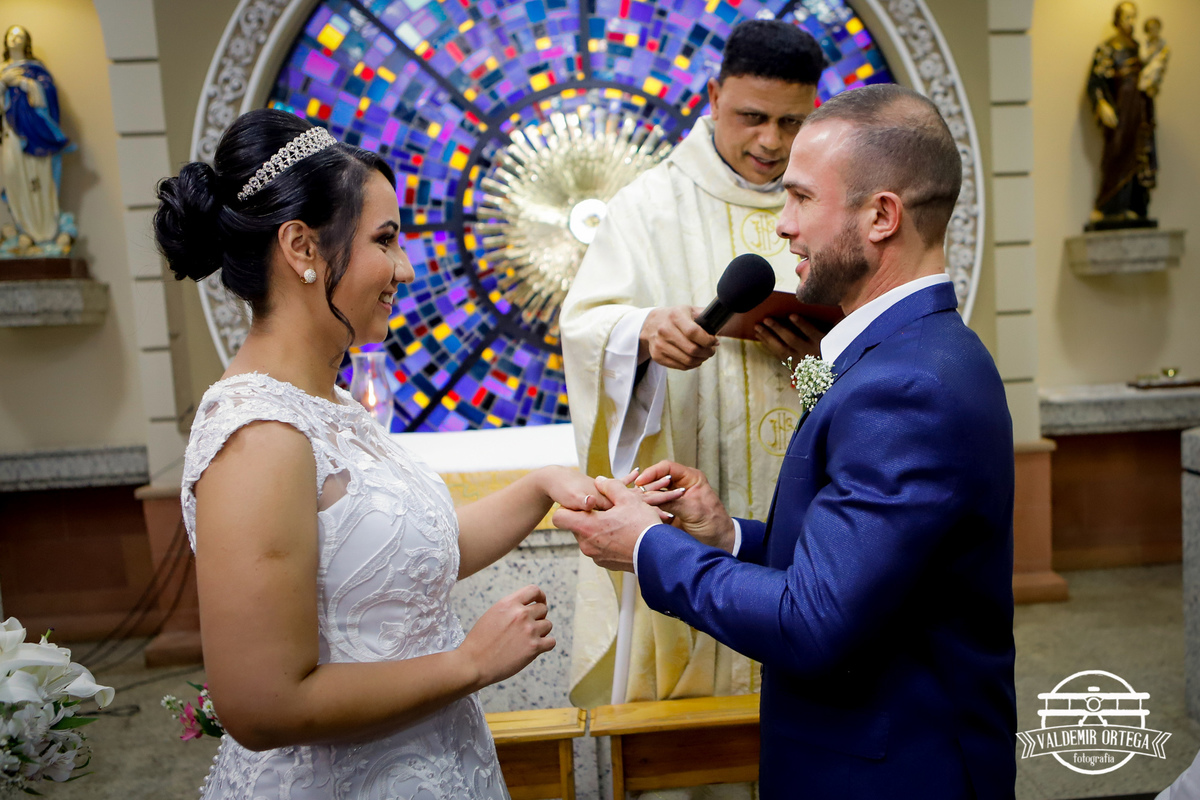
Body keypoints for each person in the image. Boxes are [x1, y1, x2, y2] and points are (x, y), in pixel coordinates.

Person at [556, 84, 1018, 798]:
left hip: (889, 775)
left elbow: (813, 623)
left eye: (802, 197)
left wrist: (647, 546)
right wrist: (727, 537)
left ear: (881, 216)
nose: (783, 225)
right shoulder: (909, 353)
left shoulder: (907, 385)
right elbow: (867, 572)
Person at [156, 108, 606, 799]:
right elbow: (261, 705)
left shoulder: (330, 405)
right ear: (302, 247)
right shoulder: (258, 438)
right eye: (386, 240)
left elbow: (406, 554)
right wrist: (469, 664)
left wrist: (542, 485)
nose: (405, 267)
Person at [559, 19, 828, 713]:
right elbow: (584, 327)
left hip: (807, 503)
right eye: (752, 117)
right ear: (713, 97)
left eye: (792, 122)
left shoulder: (830, 208)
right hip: (692, 492)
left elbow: (861, 359)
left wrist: (818, 364)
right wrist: (643, 333)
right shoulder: (649, 206)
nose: (771, 142)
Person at [0, 25, 73, 246]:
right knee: (13, 175)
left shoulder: (36, 69)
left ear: (27, 41)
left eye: (20, 35)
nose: (15, 39)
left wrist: (23, 83)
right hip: (10, 133)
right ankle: (23, 226)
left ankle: (44, 229)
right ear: (5, 40)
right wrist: (3, 83)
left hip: (34, 132)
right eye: (12, 35)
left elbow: (48, 97)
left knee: (39, 177)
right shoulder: (2, 70)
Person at [1087, 1, 1157, 227]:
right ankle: (1111, 206)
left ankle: (1135, 205)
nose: (1131, 22)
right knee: (1117, 153)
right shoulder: (1108, 48)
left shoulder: (1139, 49)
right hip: (1121, 111)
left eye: (1133, 17)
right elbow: (1095, 82)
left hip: (1139, 112)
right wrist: (1102, 104)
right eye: (1127, 17)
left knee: (1139, 154)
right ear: (1117, 20)